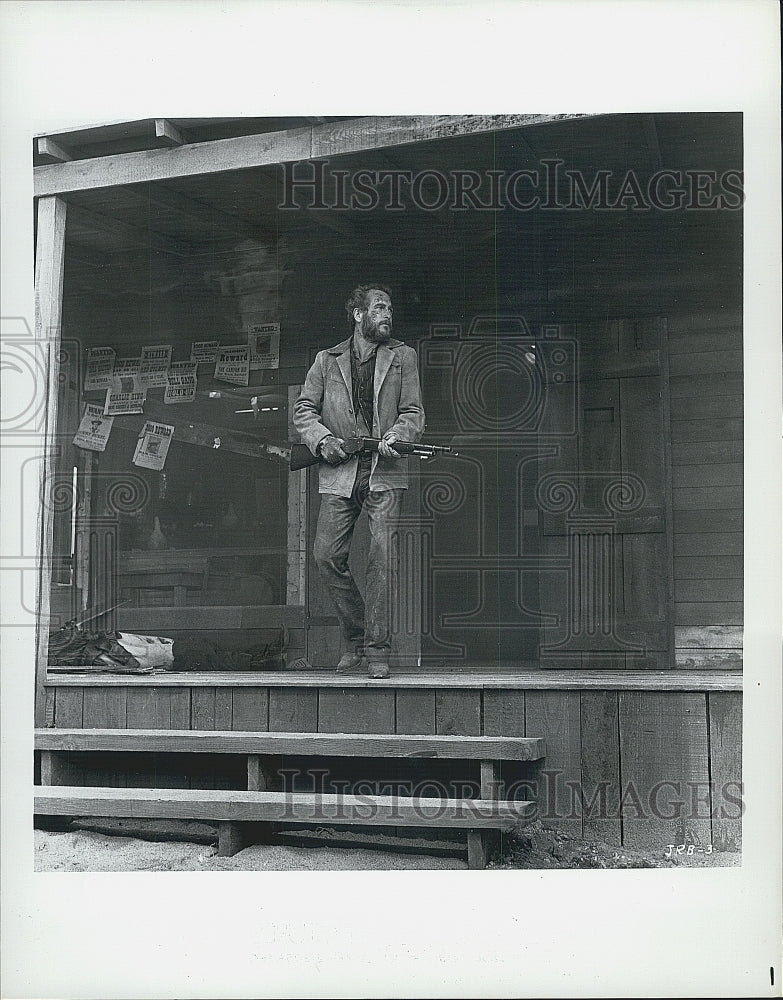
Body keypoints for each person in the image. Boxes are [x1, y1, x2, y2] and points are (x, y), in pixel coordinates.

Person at [293, 285, 425, 678]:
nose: (388, 314)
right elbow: (303, 410)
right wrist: (324, 440)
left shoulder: (403, 357)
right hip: (340, 471)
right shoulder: (326, 360)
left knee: (381, 557)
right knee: (325, 556)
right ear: (358, 315)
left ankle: (377, 650)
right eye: (380, 307)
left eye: (390, 308)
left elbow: (413, 412)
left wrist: (398, 436)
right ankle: (356, 638)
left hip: (383, 470)